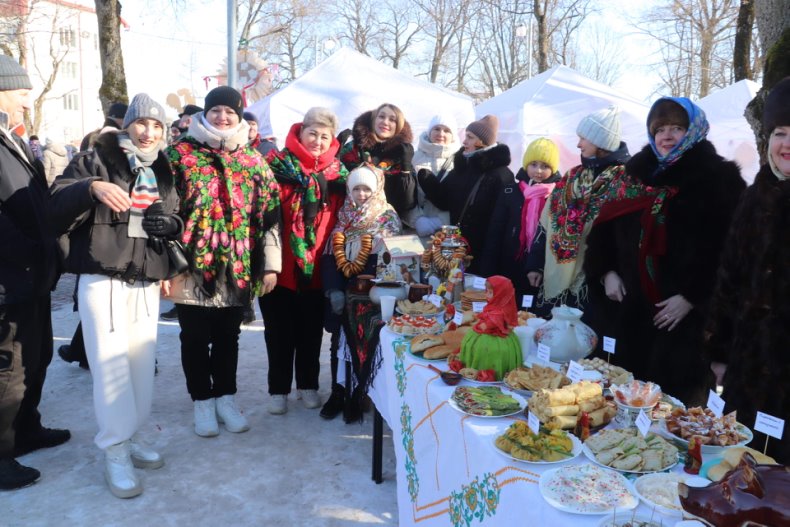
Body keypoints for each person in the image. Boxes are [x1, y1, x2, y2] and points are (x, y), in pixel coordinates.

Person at [49, 93, 179, 498]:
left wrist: (168, 225)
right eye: (142, 123)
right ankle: (114, 448)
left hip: (145, 278)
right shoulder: (97, 158)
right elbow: (55, 199)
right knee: (110, 366)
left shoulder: (163, 166)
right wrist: (93, 187)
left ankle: (132, 435)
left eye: (158, 126)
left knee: (141, 364)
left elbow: (177, 215)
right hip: (103, 274)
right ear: (128, 124)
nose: (149, 132)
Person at [583, 97, 744, 406]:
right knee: (621, 406)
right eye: (660, 129)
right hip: (631, 314)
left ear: (694, 131)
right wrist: (606, 271)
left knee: (674, 417)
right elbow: (602, 230)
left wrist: (693, 297)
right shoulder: (634, 175)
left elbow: (730, 254)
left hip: (684, 326)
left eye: (677, 128)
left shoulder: (721, 180)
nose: (667, 136)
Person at [166, 86, 281, 436]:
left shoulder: (252, 160)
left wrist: (271, 264)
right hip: (191, 266)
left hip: (238, 266)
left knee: (229, 337)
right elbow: (164, 212)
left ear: (239, 115)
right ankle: (202, 401)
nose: (222, 116)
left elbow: (271, 217)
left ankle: (225, 398)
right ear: (204, 113)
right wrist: (165, 266)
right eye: (215, 110)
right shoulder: (179, 155)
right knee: (195, 337)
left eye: (229, 111)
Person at [705, 77, 790, 462]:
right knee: (736, 467)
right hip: (748, 367)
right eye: (780, 133)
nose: (786, 145)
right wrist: (719, 352)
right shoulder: (756, 196)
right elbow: (729, 279)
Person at [0, 55, 69, 491]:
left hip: (32, 275)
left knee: (36, 356)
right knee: (8, 370)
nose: (30, 97)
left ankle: (27, 427)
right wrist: (29, 251)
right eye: (22, 89)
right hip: (9, 277)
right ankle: (2, 454)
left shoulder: (12, 135)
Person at [261, 107, 347, 415]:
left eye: (325, 136)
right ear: (300, 132)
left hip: (318, 267)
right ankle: (279, 388)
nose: (318, 141)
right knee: (278, 331)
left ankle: (308, 383)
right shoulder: (276, 165)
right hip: (280, 266)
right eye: (313, 133)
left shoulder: (338, 174)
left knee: (311, 332)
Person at [525, 106, 629, 316]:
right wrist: (535, 264)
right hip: (555, 282)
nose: (578, 144)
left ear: (601, 141)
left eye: (584, 138)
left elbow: (625, 236)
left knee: (586, 343)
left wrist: (612, 271)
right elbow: (546, 223)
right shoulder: (572, 177)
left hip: (595, 285)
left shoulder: (625, 181)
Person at [320, 164, 401, 421]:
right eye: (357, 188)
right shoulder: (343, 215)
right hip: (343, 293)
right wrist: (334, 288)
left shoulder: (386, 217)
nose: (362, 194)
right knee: (338, 345)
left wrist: (362, 285)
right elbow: (329, 255)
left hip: (370, 295)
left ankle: (362, 393)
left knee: (367, 345)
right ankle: (338, 391)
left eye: (367, 188)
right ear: (349, 189)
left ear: (376, 190)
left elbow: (389, 258)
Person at [418, 115, 513, 274]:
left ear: (482, 142)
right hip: (456, 248)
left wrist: (489, 260)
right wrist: (427, 180)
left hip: (481, 254)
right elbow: (445, 201)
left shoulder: (500, 175)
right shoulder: (463, 167)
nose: (464, 142)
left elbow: (499, 223)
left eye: (470, 137)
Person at [480, 138, 561, 307]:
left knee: (532, 311)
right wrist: (487, 269)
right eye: (533, 164)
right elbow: (495, 231)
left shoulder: (558, 196)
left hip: (542, 267)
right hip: (510, 262)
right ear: (526, 165)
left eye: (545, 166)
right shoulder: (511, 191)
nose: (538, 171)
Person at [340, 103, 416, 222]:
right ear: (373, 120)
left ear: (398, 126)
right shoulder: (353, 149)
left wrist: (406, 169)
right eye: (381, 117)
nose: (385, 122)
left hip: (386, 224)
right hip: (350, 221)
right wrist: (334, 156)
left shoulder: (402, 154)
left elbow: (407, 204)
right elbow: (337, 187)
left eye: (392, 119)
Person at [404, 112, 460, 238]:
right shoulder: (413, 158)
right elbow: (404, 194)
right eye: (437, 129)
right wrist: (417, 220)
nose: (441, 134)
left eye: (447, 130)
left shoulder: (460, 161)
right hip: (415, 231)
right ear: (429, 131)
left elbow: (460, 199)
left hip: (447, 234)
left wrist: (442, 221)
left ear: (453, 135)